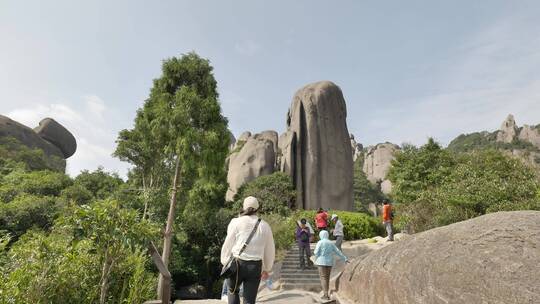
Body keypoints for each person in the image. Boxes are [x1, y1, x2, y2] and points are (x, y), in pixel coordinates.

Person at [220, 196, 275, 304]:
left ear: (244, 207)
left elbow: (228, 243)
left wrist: (225, 261)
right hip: (255, 266)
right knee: (249, 300)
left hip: (237, 264)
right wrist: (267, 268)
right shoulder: (265, 226)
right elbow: (270, 249)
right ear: (257, 208)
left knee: (233, 292)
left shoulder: (235, 222)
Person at [313, 230, 348, 301]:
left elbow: (316, 252)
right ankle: (326, 293)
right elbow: (337, 251)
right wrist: (345, 258)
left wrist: (315, 258)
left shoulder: (320, 242)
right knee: (327, 278)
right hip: (329, 263)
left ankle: (326, 295)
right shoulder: (331, 243)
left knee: (323, 278)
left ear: (321, 235)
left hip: (321, 262)